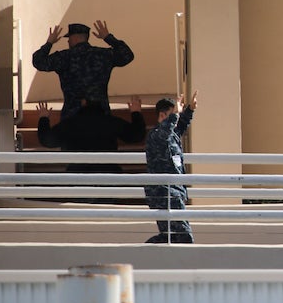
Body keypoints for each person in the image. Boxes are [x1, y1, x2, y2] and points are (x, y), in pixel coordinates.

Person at [32, 20, 135, 119]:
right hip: (100, 117)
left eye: (69, 38)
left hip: (72, 117)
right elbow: (127, 55)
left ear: (75, 38)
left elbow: (38, 61)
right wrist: (108, 37)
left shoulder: (64, 57)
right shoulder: (104, 55)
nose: (68, 40)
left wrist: (49, 43)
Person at [37, 96, 146, 173]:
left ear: (83, 102)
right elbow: (136, 135)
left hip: (77, 176)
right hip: (108, 175)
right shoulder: (110, 122)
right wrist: (136, 112)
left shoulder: (70, 123)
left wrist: (43, 118)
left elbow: (48, 140)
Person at [144, 91, 197, 244]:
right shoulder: (156, 135)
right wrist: (175, 115)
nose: (175, 119)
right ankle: (141, 254)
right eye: (172, 115)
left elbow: (180, 126)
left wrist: (190, 110)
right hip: (164, 192)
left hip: (174, 191)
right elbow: (165, 132)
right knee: (184, 236)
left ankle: (143, 255)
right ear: (162, 116)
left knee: (170, 236)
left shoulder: (172, 134)